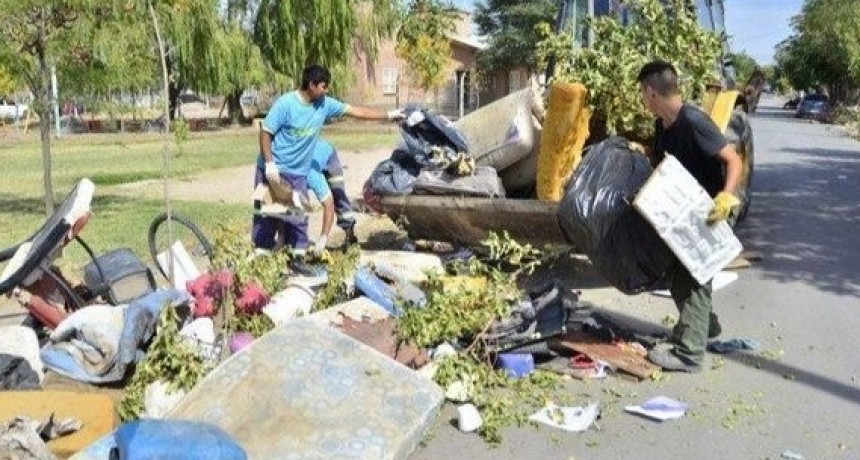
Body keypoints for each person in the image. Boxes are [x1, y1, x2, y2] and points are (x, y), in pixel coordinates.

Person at [636, 60, 743, 373]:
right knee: (676, 273)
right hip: (685, 210)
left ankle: (690, 355)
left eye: (642, 93)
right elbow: (663, 164)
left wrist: (726, 198)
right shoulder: (662, 125)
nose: (642, 100)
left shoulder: (694, 121)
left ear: (651, 92)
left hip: (712, 208)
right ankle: (703, 327)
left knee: (693, 275)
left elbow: (733, 160)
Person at [253, 64, 403, 258]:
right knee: (267, 216)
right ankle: (261, 257)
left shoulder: (324, 104)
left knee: (298, 221)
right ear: (312, 85)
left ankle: (296, 260)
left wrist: (388, 115)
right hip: (273, 168)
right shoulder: (286, 104)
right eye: (324, 86)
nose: (327, 90)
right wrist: (269, 164)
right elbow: (266, 132)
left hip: (298, 172)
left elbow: (355, 111)